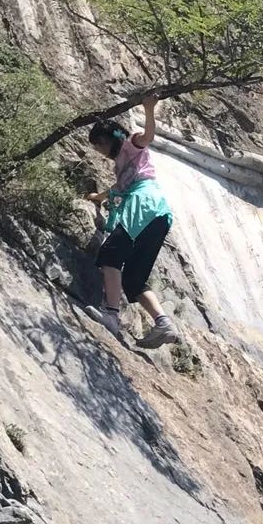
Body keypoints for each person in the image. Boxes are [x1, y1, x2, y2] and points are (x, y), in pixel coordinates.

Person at [84, 98, 180, 349]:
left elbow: (148, 136)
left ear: (108, 140)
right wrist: (98, 198)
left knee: (110, 254)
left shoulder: (131, 145)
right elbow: (118, 188)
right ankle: (163, 323)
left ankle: (111, 315)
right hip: (159, 216)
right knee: (133, 280)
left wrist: (148, 109)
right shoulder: (121, 165)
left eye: (99, 146)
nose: (100, 152)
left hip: (143, 204)